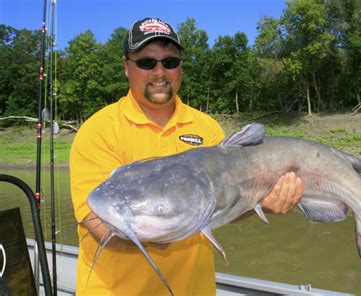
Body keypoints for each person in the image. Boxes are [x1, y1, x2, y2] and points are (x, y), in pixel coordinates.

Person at [70, 17, 303, 295]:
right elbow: (94, 220)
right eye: (147, 63)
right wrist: (164, 229)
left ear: (180, 66)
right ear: (126, 66)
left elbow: (220, 208)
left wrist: (261, 202)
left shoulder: (206, 128)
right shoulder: (99, 130)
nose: (159, 72)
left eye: (170, 62)